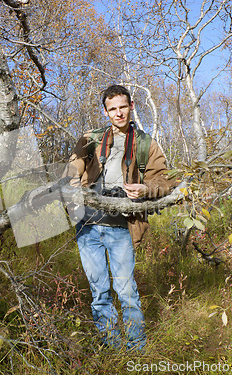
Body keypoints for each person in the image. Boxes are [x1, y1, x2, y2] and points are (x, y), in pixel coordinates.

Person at [68, 84, 176, 351]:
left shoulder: (145, 144)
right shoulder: (90, 138)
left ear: (131, 107)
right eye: (112, 109)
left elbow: (165, 180)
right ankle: (112, 348)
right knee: (99, 294)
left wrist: (145, 189)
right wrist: (71, 182)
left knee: (127, 293)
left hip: (122, 228)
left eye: (122, 107)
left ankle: (137, 349)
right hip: (88, 227)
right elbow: (72, 168)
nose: (118, 113)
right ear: (106, 112)